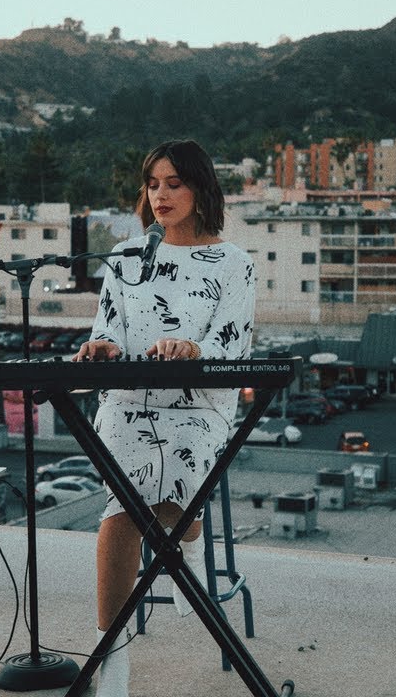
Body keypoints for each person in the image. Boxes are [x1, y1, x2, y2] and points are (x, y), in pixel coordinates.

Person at [72, 139, 255, 697]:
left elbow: (233, 347)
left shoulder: (234, 262)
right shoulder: (125, 257)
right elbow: (107, 329)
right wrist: (101, 348)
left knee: (173, 489)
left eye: (174, 183)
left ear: (201, 189)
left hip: (199, 404)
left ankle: (189, 544)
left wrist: (192, 350)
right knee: (125, 506)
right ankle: (112, 659)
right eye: (153, 185)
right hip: (129, 402)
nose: (161, 195)